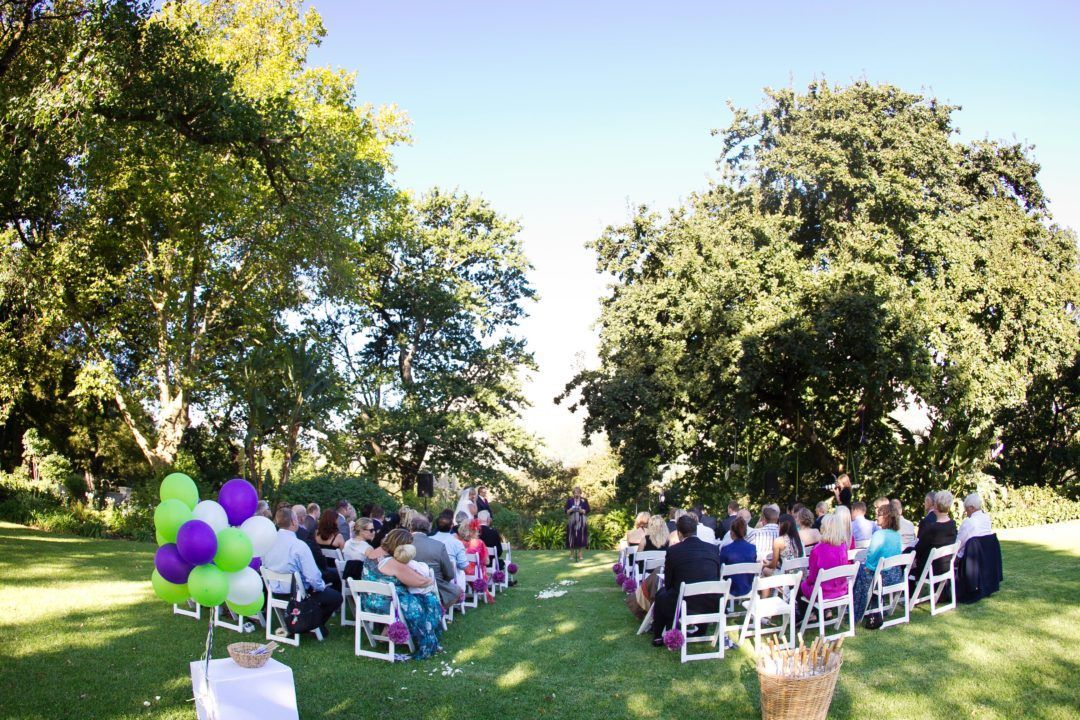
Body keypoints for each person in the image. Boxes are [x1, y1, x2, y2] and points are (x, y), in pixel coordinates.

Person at [361, 528, 443, 659]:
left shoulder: (373, 553)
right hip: (387, 606)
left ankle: (388, 631)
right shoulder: (392, 562)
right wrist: (430, 579)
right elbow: (419, 581)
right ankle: (426, 641)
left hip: (368, 602)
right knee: (429, 600)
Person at [263, 507, 342, 638]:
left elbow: (264, 565)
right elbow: (313, 576)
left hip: (274, 592)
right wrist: (320, 587)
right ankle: (308, 623)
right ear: (294, 522)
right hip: (297, 595)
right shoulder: (299, 545)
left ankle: (299, 623)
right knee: (336, 597)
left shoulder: (268, 543)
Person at [651, 515, 722, 646]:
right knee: (668, 594)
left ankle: (658, 635)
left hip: (685, 604)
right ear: (696, 530)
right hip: (711, 602)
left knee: (661, 595)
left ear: (679, 533)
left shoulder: (674, 551)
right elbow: (716, 576)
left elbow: (669, 583)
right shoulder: (713, 549)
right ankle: (701, 629)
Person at [852, 501, 903, 622]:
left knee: (860, 571)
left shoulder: (879, 535)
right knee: (864, 571)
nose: (876, 517)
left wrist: (866, 566)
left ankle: (856, 611)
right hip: (896, 576)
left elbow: (871, 560)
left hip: (883, 578)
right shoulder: (897, 535)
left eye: (879, 514)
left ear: (886, 517)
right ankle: (873, 607)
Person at [796, 513, 850, 623]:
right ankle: (825, 611)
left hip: (823, 592)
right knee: (814, 585)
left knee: (800, 586)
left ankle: (809, 614)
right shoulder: (843, 546)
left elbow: (812, 578)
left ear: (824, 528)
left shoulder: (818, 549)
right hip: (841, 589)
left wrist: (806, 582)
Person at [409, 515, 461, 609]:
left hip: (407, 585)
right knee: (457, 590)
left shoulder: (402, 543)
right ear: (428, 528)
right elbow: (449, 574)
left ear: (411, 527)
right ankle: (438, 611)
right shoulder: (439, 546)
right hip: (434, 587)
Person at [911, 490, 958, 584]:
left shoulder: (932, 528)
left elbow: (919, 549)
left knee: (908, 554)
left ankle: (909, 593)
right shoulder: (952, 525)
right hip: (947, 565)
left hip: (931, 568)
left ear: (935, 505)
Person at [719, 516, 758, 599]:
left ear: (732, 532)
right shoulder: (752, 548)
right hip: (748, 586)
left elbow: (720, 570)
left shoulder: (726, 549)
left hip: (729, 588)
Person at [431, 510, 469, 590]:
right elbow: (463, 565)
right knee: (460, 572)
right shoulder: (456, 543)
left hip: (432, 578)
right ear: (451, 526)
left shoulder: (429, 540)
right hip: (452, 581)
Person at [458, 520, 494, 603]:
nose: (478, 532)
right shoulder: (479, 542)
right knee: (482, 566)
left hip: (460, 572)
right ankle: (481, 587)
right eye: (477, 530)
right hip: (474, 573)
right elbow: (486, 561)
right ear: (473, 531)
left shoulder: (458, 543)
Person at [956, 492, 992, 559]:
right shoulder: (987, 518)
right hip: (985, 558)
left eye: (966, 510)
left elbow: (958, 544)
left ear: (972, 508)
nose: (966, 513)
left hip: (970, 559)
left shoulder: (969, 522)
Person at [565, 486, 589, 561]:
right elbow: (566, 511)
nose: (577, 494)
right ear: (573, 494)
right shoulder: (570, 501)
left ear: (580, 493)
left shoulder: (584, 500)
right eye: (575, 493)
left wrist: (582, 510)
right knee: (571, 537)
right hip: (572, 520)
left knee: (580, 537)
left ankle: (580, 554)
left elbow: (588, 510)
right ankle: (571, 554)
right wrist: (571, 509)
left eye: (578, 493)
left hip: (581, 521)